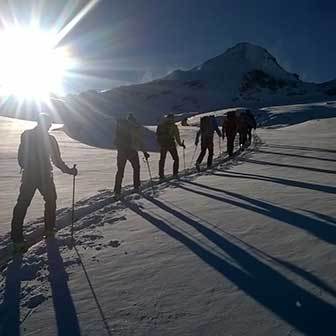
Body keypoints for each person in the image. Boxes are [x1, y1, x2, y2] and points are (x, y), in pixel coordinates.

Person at [11, 113, 78, 249]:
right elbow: (57, 160)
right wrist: (70, 171)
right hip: (45, 176)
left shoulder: (26, 134)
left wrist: (27, 167)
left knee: (22, 204)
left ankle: (17, 239)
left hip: (29, 175)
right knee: (50, 200)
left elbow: (21, 156)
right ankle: (49, 230)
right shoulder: (50, 139)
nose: (49, 126)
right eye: (48, 124)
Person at [114, 114, 150, 196]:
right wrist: (145, 152)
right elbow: (140, 142)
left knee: (120, 171)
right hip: (132, 152)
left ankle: (117, 191)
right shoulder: (135, 128)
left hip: (121, 152)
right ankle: (136, 186)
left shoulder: (121, 127)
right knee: (136, 168)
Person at [156, 114, 185, 179]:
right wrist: (180, 144)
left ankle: (161, 175)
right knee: (176, 159)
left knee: (162, 159)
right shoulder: (174, 126)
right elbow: (177, 137)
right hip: (171, 144)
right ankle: (175, 173)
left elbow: (157, 135)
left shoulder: (161, 125)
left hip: (163, 145)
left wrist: (160, 144)